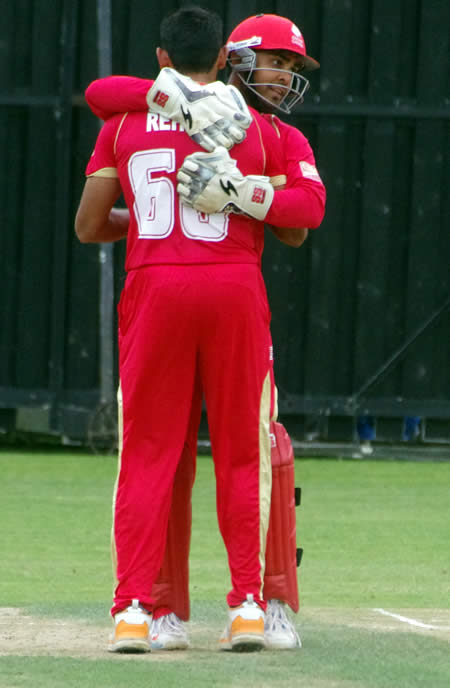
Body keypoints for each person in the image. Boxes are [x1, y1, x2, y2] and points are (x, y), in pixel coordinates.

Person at [76, 6, 324, 654]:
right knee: (245, 453)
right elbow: (302, 221)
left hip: (155, 288)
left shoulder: (125, 122)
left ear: (162, 57)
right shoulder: (265, 134)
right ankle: (246, 605)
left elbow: (87, 221)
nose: (282, 78)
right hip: (232, 292)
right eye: (275, 63)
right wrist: (247, 193)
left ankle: (136, 611)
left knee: (150, 457)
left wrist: (174, 218)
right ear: (225, 60)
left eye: (290, 68)